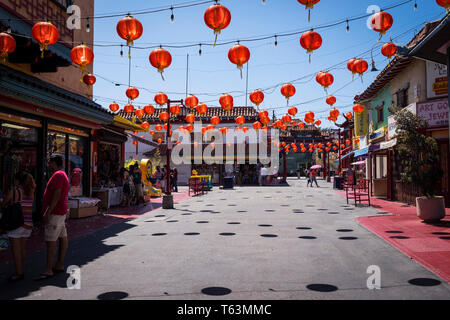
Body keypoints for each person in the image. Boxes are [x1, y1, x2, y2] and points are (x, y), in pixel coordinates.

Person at [35, 155, 70, 280]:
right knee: (62, 237)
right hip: (60, 212)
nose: (49, 166)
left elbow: (57, 193)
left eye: (50, 163)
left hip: (55, 213)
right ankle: (59, 264)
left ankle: (48, 269)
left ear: (55, 163)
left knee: (51, 241)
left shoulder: (58, 175)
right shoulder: (62, 174)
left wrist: (48, 211)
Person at [2, 172, 36, 282]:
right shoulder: (30, 191)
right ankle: (20, 268)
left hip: (17, 224)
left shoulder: (15, 191)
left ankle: (19, 272)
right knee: (22, 248)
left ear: (17, 181)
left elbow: (4, 204)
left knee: (16, 249)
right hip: (28, 224)